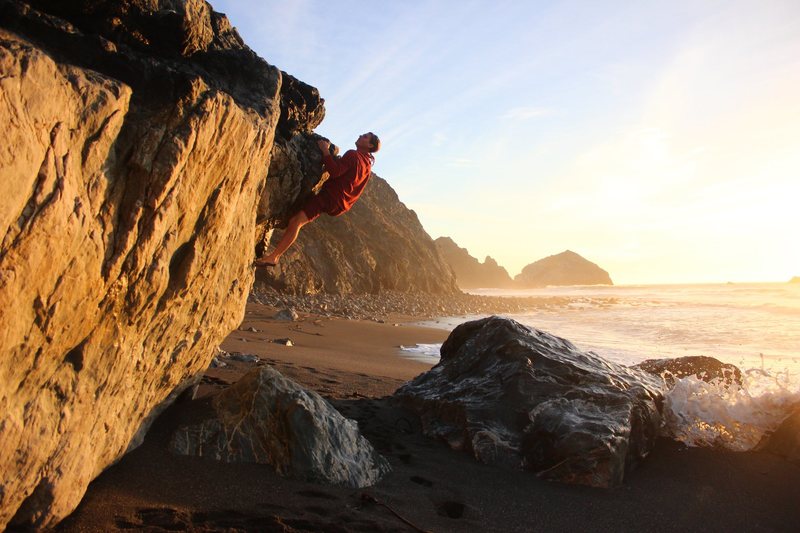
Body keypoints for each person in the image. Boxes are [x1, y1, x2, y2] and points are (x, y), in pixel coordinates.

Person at [253, 132, 381, 267]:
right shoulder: (367, 165)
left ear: (370, 145)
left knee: (296, 221)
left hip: (329, 197)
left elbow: (335, 171)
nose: (361, 135)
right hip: (338, 204)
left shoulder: (353, 155)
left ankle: (274, 257)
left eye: (365, 137)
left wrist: (325, 151)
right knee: (297, 214)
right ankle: (270, 246)